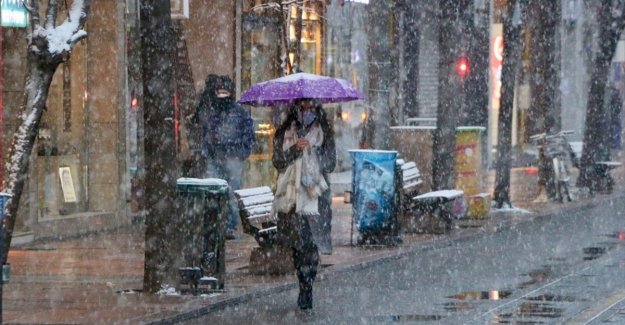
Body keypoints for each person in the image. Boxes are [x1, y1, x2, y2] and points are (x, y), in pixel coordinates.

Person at [272, 98, 336, 310]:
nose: (306, 110)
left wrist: (312, 152)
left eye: (310, 106)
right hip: (292, 196)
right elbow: (278, 161)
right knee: (299, 245)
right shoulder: (285, 130)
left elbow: (331, 163)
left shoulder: (323, 130)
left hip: (315, 195)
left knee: (311, 243)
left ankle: (308, 284)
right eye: (302, 106)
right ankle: (303, 281)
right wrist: (295, 150)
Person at [197, 74, 255, 240]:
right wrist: (208, 150)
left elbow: (248, 135)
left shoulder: (238, 113)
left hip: (232, 159)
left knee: (230, 194)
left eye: (225, 91)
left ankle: (229, 226)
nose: (222, 95)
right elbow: (206, 131)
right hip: (216, 157)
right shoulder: (213, 111)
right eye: (219, 91)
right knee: (213, 192)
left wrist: (240, 153)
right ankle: (215, 225)